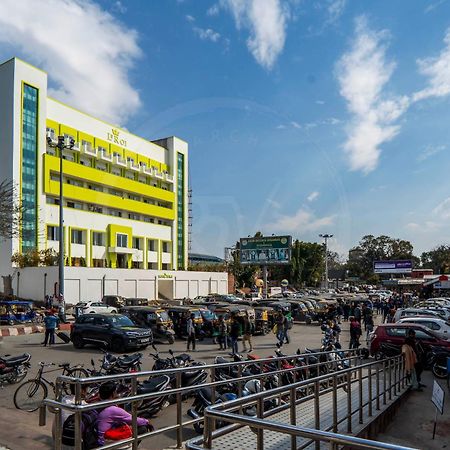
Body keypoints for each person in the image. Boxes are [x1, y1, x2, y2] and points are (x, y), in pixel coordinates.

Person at [96, 381, 152, 447]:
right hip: (105, 441)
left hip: (98, 437)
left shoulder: (98, 403)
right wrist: (147, 421)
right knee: (143, 428)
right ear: (113, 393)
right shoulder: (112, 409)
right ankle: (133, 447)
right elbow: (133, 419)